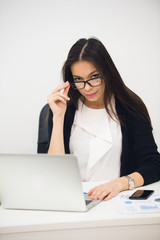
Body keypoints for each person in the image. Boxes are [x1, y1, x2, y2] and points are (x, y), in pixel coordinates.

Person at [38, 37, 160, 201]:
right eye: (79, 80)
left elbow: (153, 165)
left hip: (115, 199)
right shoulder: (65, 111)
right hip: (73, 200)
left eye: (94, 76)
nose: (87, 88)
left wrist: (117, 184)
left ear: (107, 73)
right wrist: (58, 119)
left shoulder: (130, 108)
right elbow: (53, 173)